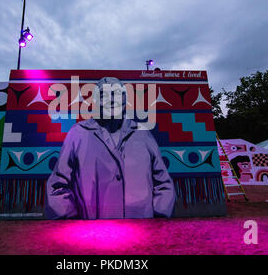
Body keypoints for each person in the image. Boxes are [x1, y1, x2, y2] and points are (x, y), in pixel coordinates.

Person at [45, 77, 176, 219]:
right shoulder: (78, 134)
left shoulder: (143, 134)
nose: (111, 100)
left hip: (142, 234)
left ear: (125, 99)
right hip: (93, 237)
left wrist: (158, 223)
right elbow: (57, 187)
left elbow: (164, 184)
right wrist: (75, 227)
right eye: (103, 95)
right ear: (95, 101)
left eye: (117, 94)